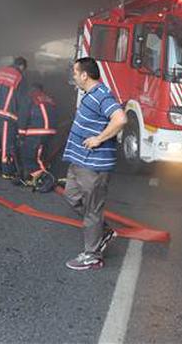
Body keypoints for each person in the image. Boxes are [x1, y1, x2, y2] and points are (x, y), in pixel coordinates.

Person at [62, 57, 126, 271]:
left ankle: (92, 256)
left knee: (92, 211)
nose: (73, 76)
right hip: (79, 162)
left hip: (93, 166)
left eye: (75, 72)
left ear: (84, 75)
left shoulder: (101, 95)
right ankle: (103, 231)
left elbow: (120, 119)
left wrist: (99, 139)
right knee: (71, 196)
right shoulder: (90, 95)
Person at [0, 56, 30, 180]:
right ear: (22, 67)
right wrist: (22, 122)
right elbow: (22, 100)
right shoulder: (20, 77)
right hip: (8, 115)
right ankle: (6, 171)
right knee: (6, 143)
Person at [17, 82, 57, 190]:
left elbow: (23, 116)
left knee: (29, 157)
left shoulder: (30, 97)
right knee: (39, 156)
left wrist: (21, 134)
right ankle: (32, 178)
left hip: (36, 131)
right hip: (50, 132)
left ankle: (46, 178)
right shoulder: (48, 98)